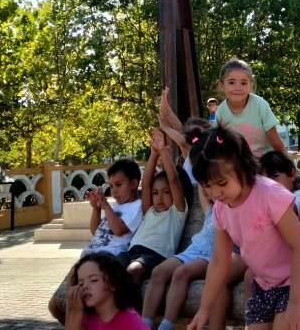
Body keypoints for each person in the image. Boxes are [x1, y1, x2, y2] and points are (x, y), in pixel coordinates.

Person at [185, 127, 300, 330]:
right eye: (207, 186)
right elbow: (220, 261)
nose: (215, 192)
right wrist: (204, 309)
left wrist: (297, 303)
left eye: (221, 183)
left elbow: (299, 247)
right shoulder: (220, 209)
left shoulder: (269, 194)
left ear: (243, 169)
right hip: (267, 284)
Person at [49, 159, 143, 324]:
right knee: (55, 306)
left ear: (134, 183)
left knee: (75, 306)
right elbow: (95, 230)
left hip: (106, 260)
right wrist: (96, 208)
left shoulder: (136, 206)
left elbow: (119, 230)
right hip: (87, 258)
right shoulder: (114, 206)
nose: (114, 191)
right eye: (111, 186)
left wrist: (106, 206)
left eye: (119, 185)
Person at [141, 184, 245, 330]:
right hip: (191, 251)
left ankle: (166, 325)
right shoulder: (211, 211)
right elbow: (203, 188)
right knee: (158, 271)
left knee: (181, 272)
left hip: (210, 256)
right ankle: (144, 324)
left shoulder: (235, 213)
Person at [120, 129, 192, 284]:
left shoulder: (177, 212)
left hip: (155, 256)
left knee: (133, 270)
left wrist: (162, 150)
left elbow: (173, 179)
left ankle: (131, 308)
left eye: (166, 192)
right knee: (103, 267)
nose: (159, 197)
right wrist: (153, 154)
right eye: (156, 193)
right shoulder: (150, 211)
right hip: (132, 251)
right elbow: (145, 185)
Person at [214, 58, 283, 159]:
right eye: (232, 82)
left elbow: (275, 140)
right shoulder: (221, 112)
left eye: (243, 83)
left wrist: (286, 160)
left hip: (266, 160)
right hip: (239, 163)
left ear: (251, 85)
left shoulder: (260, 105)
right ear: (222, 85)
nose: (238, 87)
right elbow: (220, 143)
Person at [65, 252, 147, 330]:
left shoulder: (130, 321)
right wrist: (76, 312)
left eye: (94, 280)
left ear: (113, 283)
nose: (85, 286)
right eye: (81, 283)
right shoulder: (84, 316)